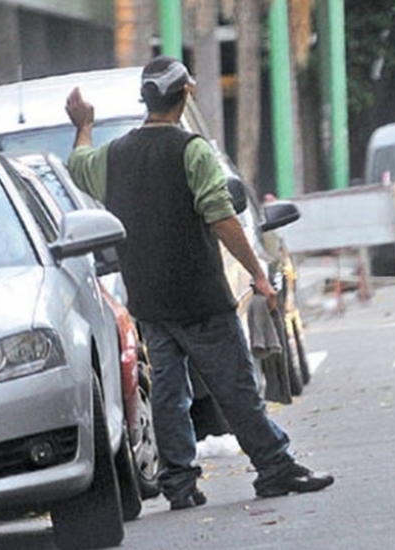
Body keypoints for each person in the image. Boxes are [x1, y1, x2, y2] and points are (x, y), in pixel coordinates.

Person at [64, 55, 334, 511]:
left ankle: (180, 482)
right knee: (236, 387)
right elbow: (223, 218)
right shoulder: (193, 150)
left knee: (170, 395)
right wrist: (257, 274)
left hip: (149, 301)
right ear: (185, 94)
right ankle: (274, 467)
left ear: (146, 99)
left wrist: (84, 124)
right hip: (200, 297)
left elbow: (78, 165)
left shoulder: (115, 155)